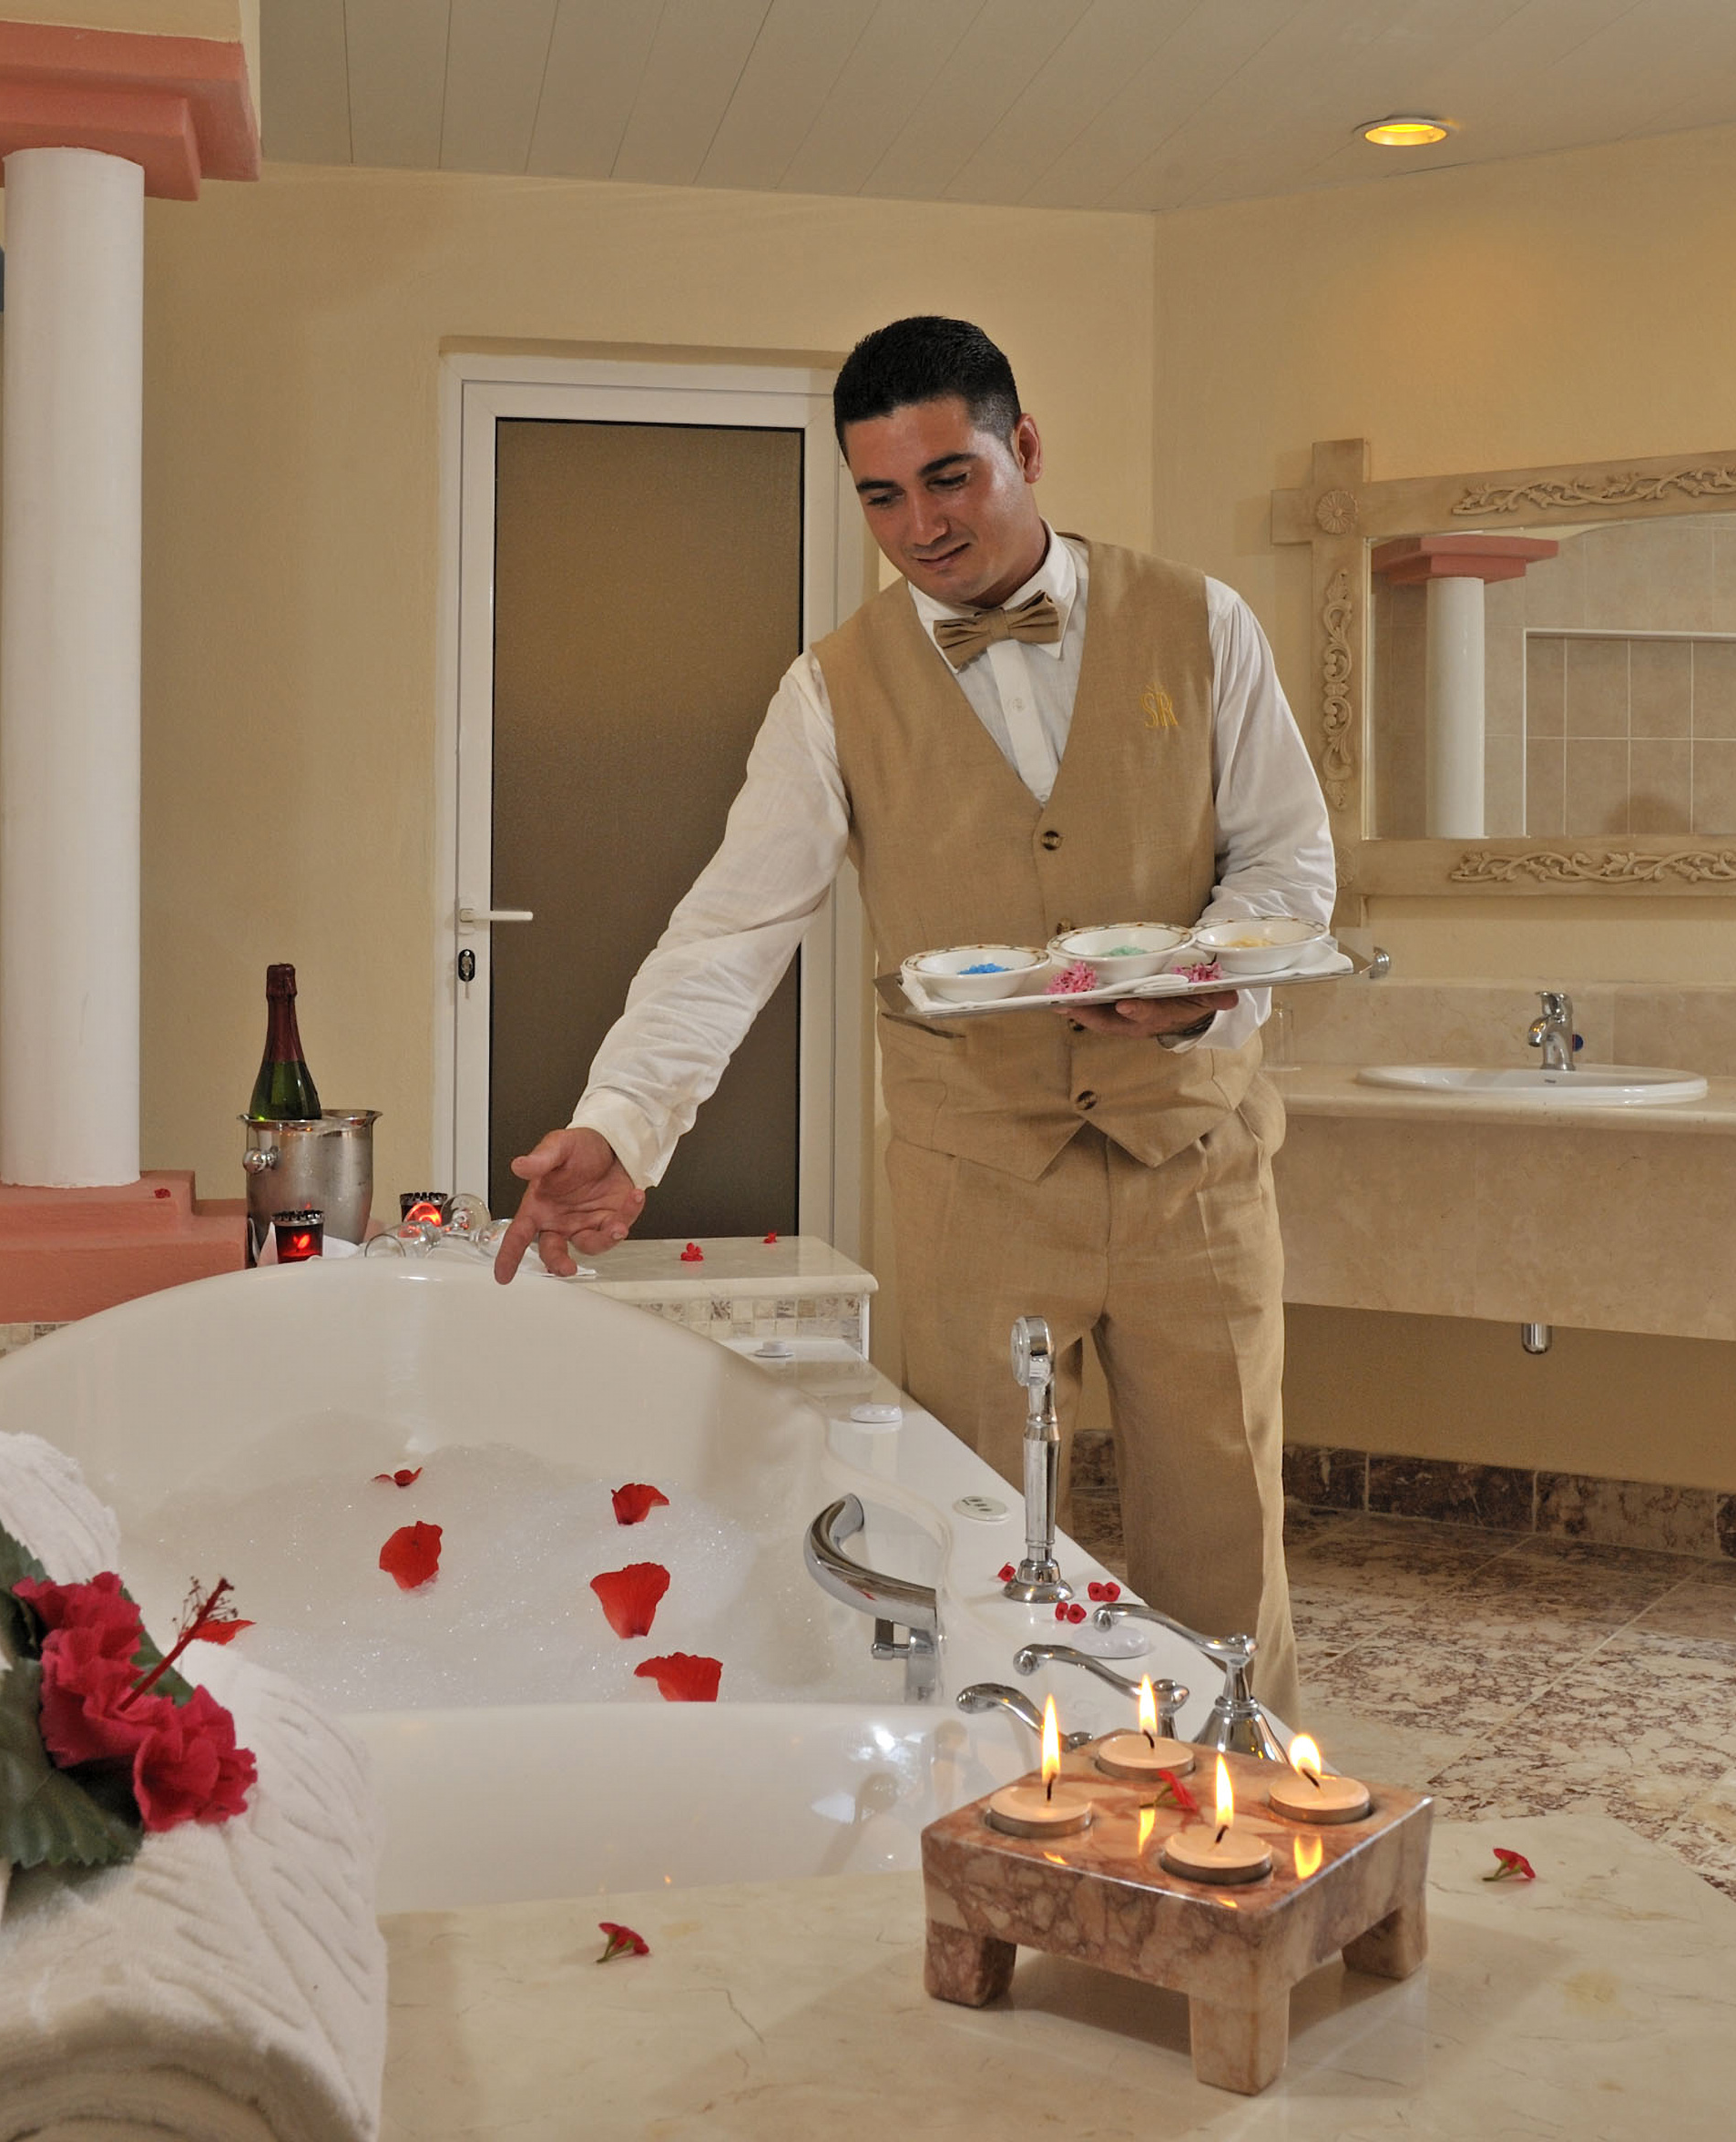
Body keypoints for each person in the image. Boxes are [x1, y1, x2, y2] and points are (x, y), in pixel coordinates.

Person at [492, 315, 1335, 1722]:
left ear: (1027, 450)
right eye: (882, 494)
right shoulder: (829, 689)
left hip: (1196, 1166)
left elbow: (1290, 865)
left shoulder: (1203, 624)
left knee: (1226, 1546)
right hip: (975, 1178)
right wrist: (624, 1123)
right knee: (972, 1540)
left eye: (951, 478)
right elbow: (730, 930)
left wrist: (1208, 978)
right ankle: (1005, 1832)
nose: (921, 526)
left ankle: (1234, 1836)